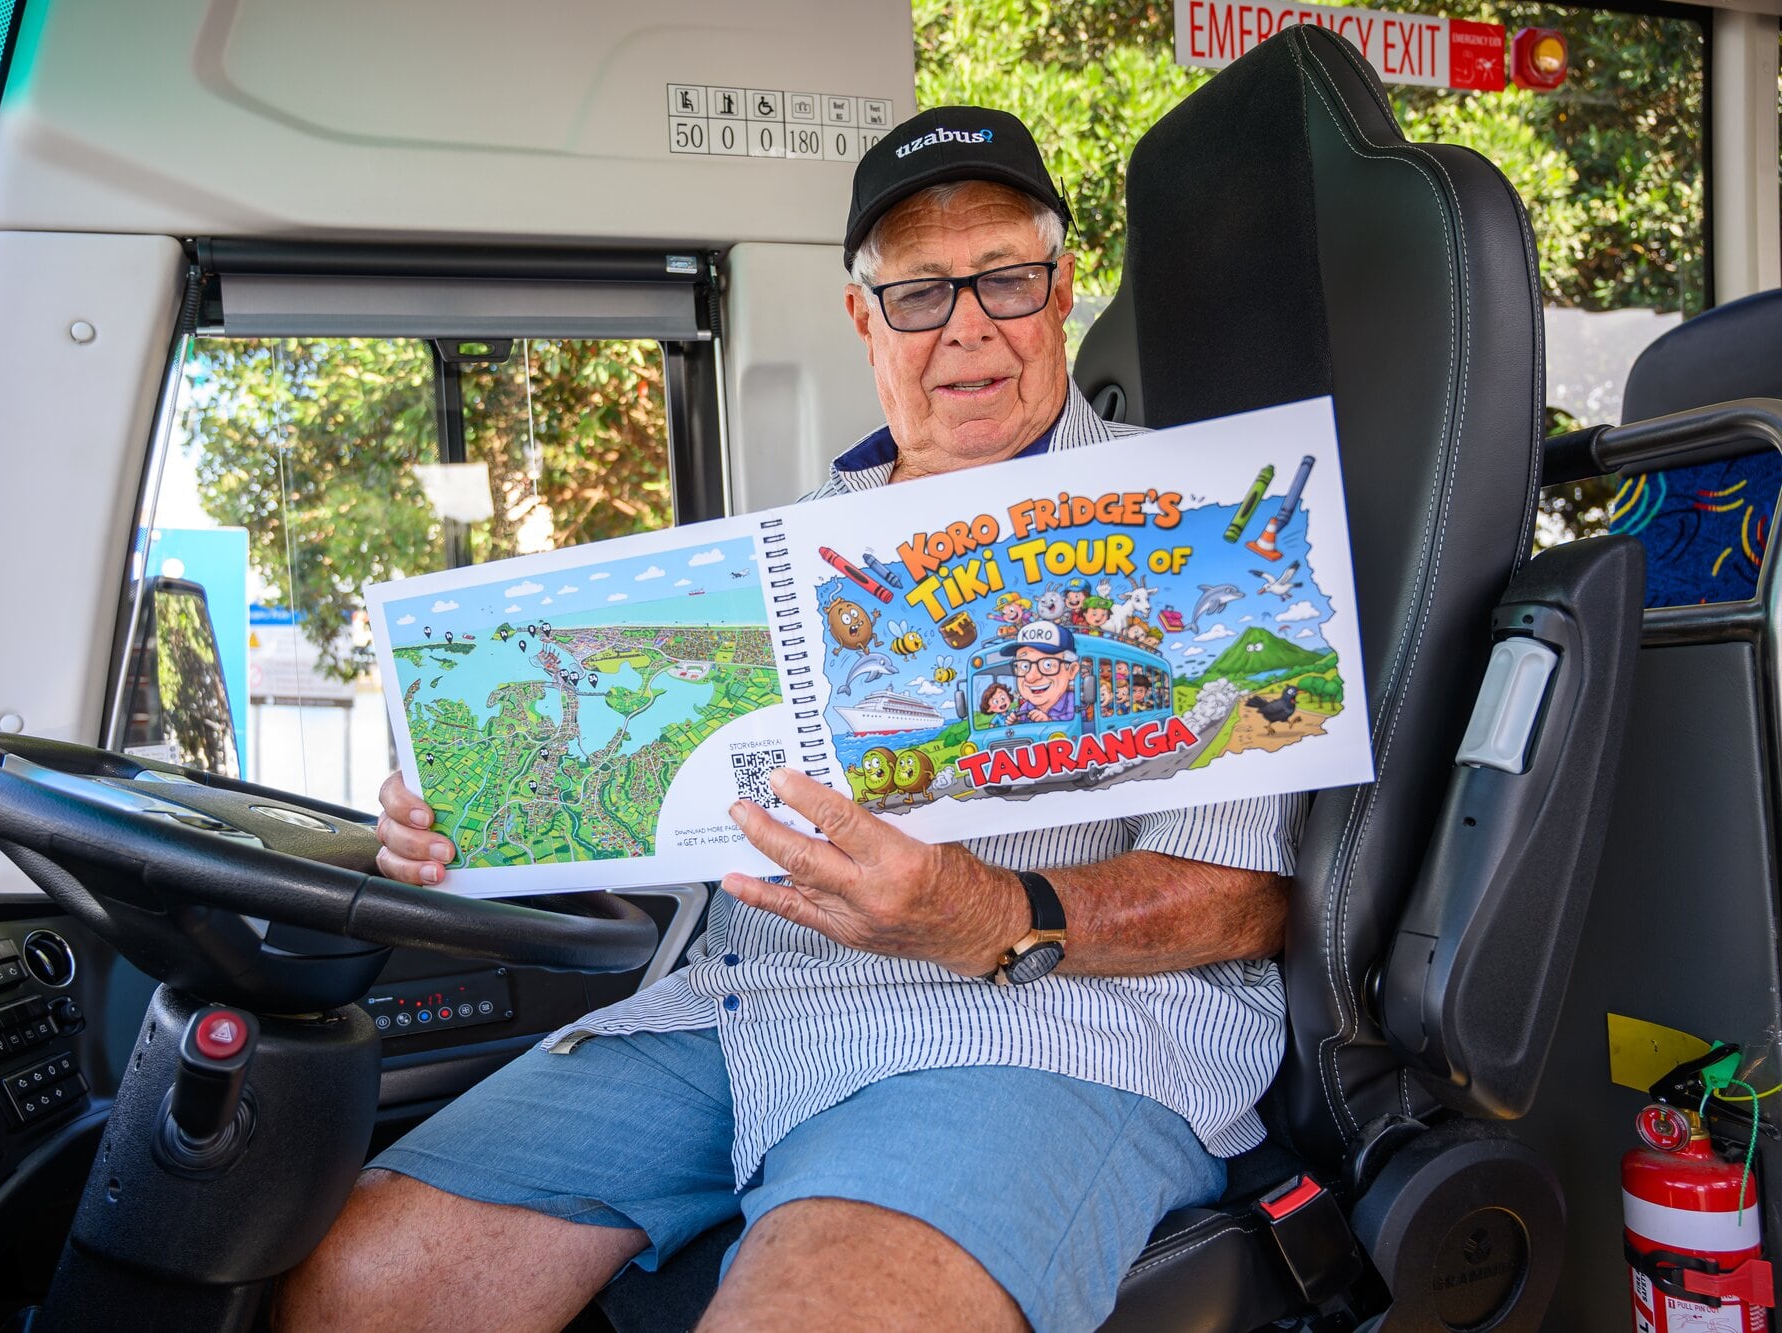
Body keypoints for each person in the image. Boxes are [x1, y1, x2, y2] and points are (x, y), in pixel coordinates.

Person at [279, 105, 1305, 1332]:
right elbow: (652, 790)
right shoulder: (784, 548)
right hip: (743, 1006)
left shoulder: (1200, 518)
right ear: (862, 319)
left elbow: (1245, 898)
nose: (966, 325)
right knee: (349, 1285)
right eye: (919, 293)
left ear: (1063, 289)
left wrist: (988, 911)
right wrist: (465, 816)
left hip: (1055, 1021)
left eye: (1004, 279)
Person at [1003, 620, 1080, 725]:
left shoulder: (1073, 701)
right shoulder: (1026, 707)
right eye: (1024, 666)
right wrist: (1015, 723)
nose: (1030, 677)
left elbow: (1077, 723)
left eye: (1047, 665)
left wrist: (1049, 721)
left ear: (1071, 670)